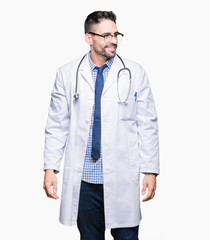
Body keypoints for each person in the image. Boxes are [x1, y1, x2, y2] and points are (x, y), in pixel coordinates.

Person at [43, 11, 160, 240]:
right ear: (89, 38)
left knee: (127, 237)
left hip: (121, 175)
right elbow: (57, 124)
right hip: (85, 181)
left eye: (116, 34)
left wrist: (150, 170)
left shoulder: (135, 72)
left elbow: (147, 124)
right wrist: (50, 168)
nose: (113, 40)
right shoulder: (67, 74)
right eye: (106, 35)